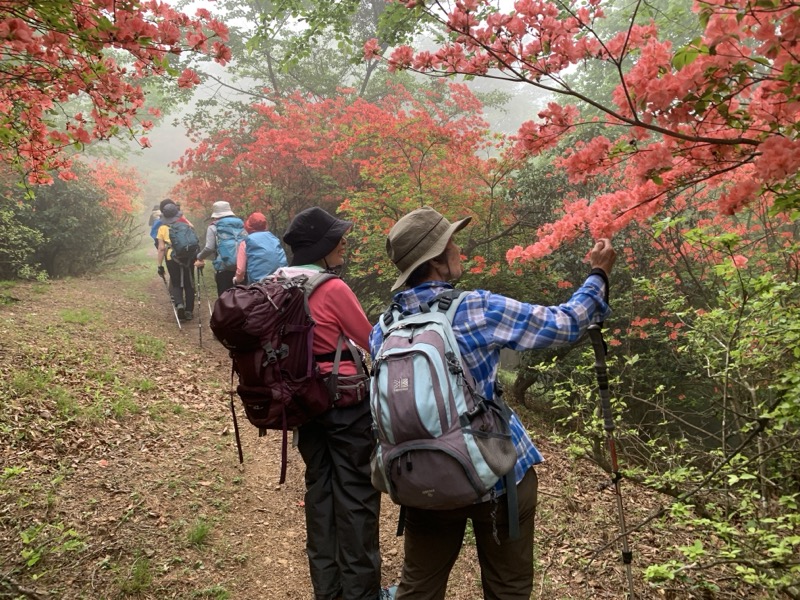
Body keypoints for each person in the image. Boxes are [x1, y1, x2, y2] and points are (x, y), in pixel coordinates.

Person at [369, 206, 616, 600]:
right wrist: (598, 275)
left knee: (419, 586)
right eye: (453, 244)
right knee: (508, 587)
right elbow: (566, 323)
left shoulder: (382, 329)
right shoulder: (476, 308)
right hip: (499, 474)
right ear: (436, 260)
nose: (459, 251)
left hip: (421, 476)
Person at [280, 207, 388, 600]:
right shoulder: (332, 288)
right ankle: (362, 595)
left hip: (303, 405)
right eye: (338, 238)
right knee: (357, 497)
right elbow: (371, 338)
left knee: (320, 494)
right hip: (344, 405)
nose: (344, 243)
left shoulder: (277, 281)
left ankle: (328, 592)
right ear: (324, 247)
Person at [195, 200, 246, 296]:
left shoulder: (213, 227)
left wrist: (199, 256)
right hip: (242, 268)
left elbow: (209, 248)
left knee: (225, 299)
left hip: (223, 268)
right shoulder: (241, 225)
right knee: (243, 298)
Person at [156, 203, 196, 321]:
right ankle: (189, 311)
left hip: (171, 257)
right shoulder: (186, 224)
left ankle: (179, 305)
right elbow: (193, 235)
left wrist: (159, 265)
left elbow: (161, 248)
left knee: (176, 282)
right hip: (188, 257)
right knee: (189, 284)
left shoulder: (162, 228)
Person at [232, 211, 288, 285]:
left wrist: (237, 279)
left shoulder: (246, 242)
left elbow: (241, 270)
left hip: (259, 285)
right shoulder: (273, 238)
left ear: (248, 225)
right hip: (280, 281)